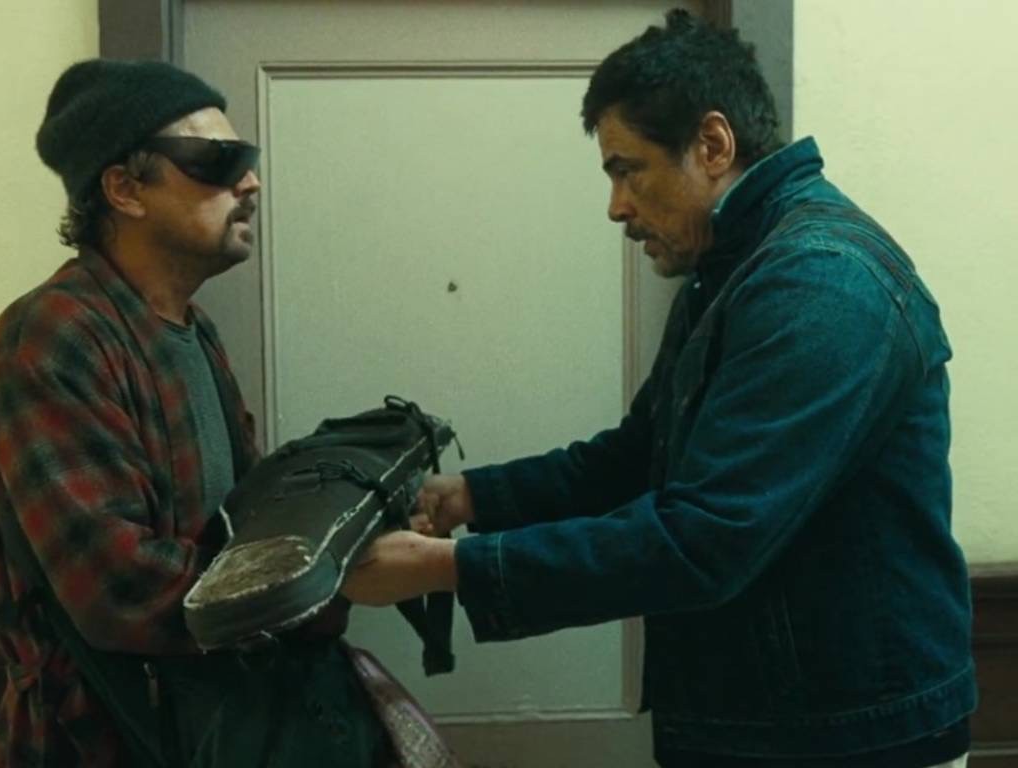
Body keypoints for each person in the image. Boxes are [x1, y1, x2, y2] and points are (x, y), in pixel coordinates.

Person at [343, 10, 975, 767]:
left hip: (850, 738)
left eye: (627, 169)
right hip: (784, 725)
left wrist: (447, 567)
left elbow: (705, 539)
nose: (617, 206)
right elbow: (638, 455)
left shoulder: (820, 284)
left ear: (712, 145)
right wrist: (471, 498)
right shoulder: (737, 266)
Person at [0, 59, 444, 768]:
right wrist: (324, 582)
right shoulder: (52, 336)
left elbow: (237, 529)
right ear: (124, 188)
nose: (249, 183)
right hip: (111, 739)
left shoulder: (191, 331)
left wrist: (351, 528)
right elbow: (118, 587)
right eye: (217, 161)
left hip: (223, 725)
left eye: (246, 160)